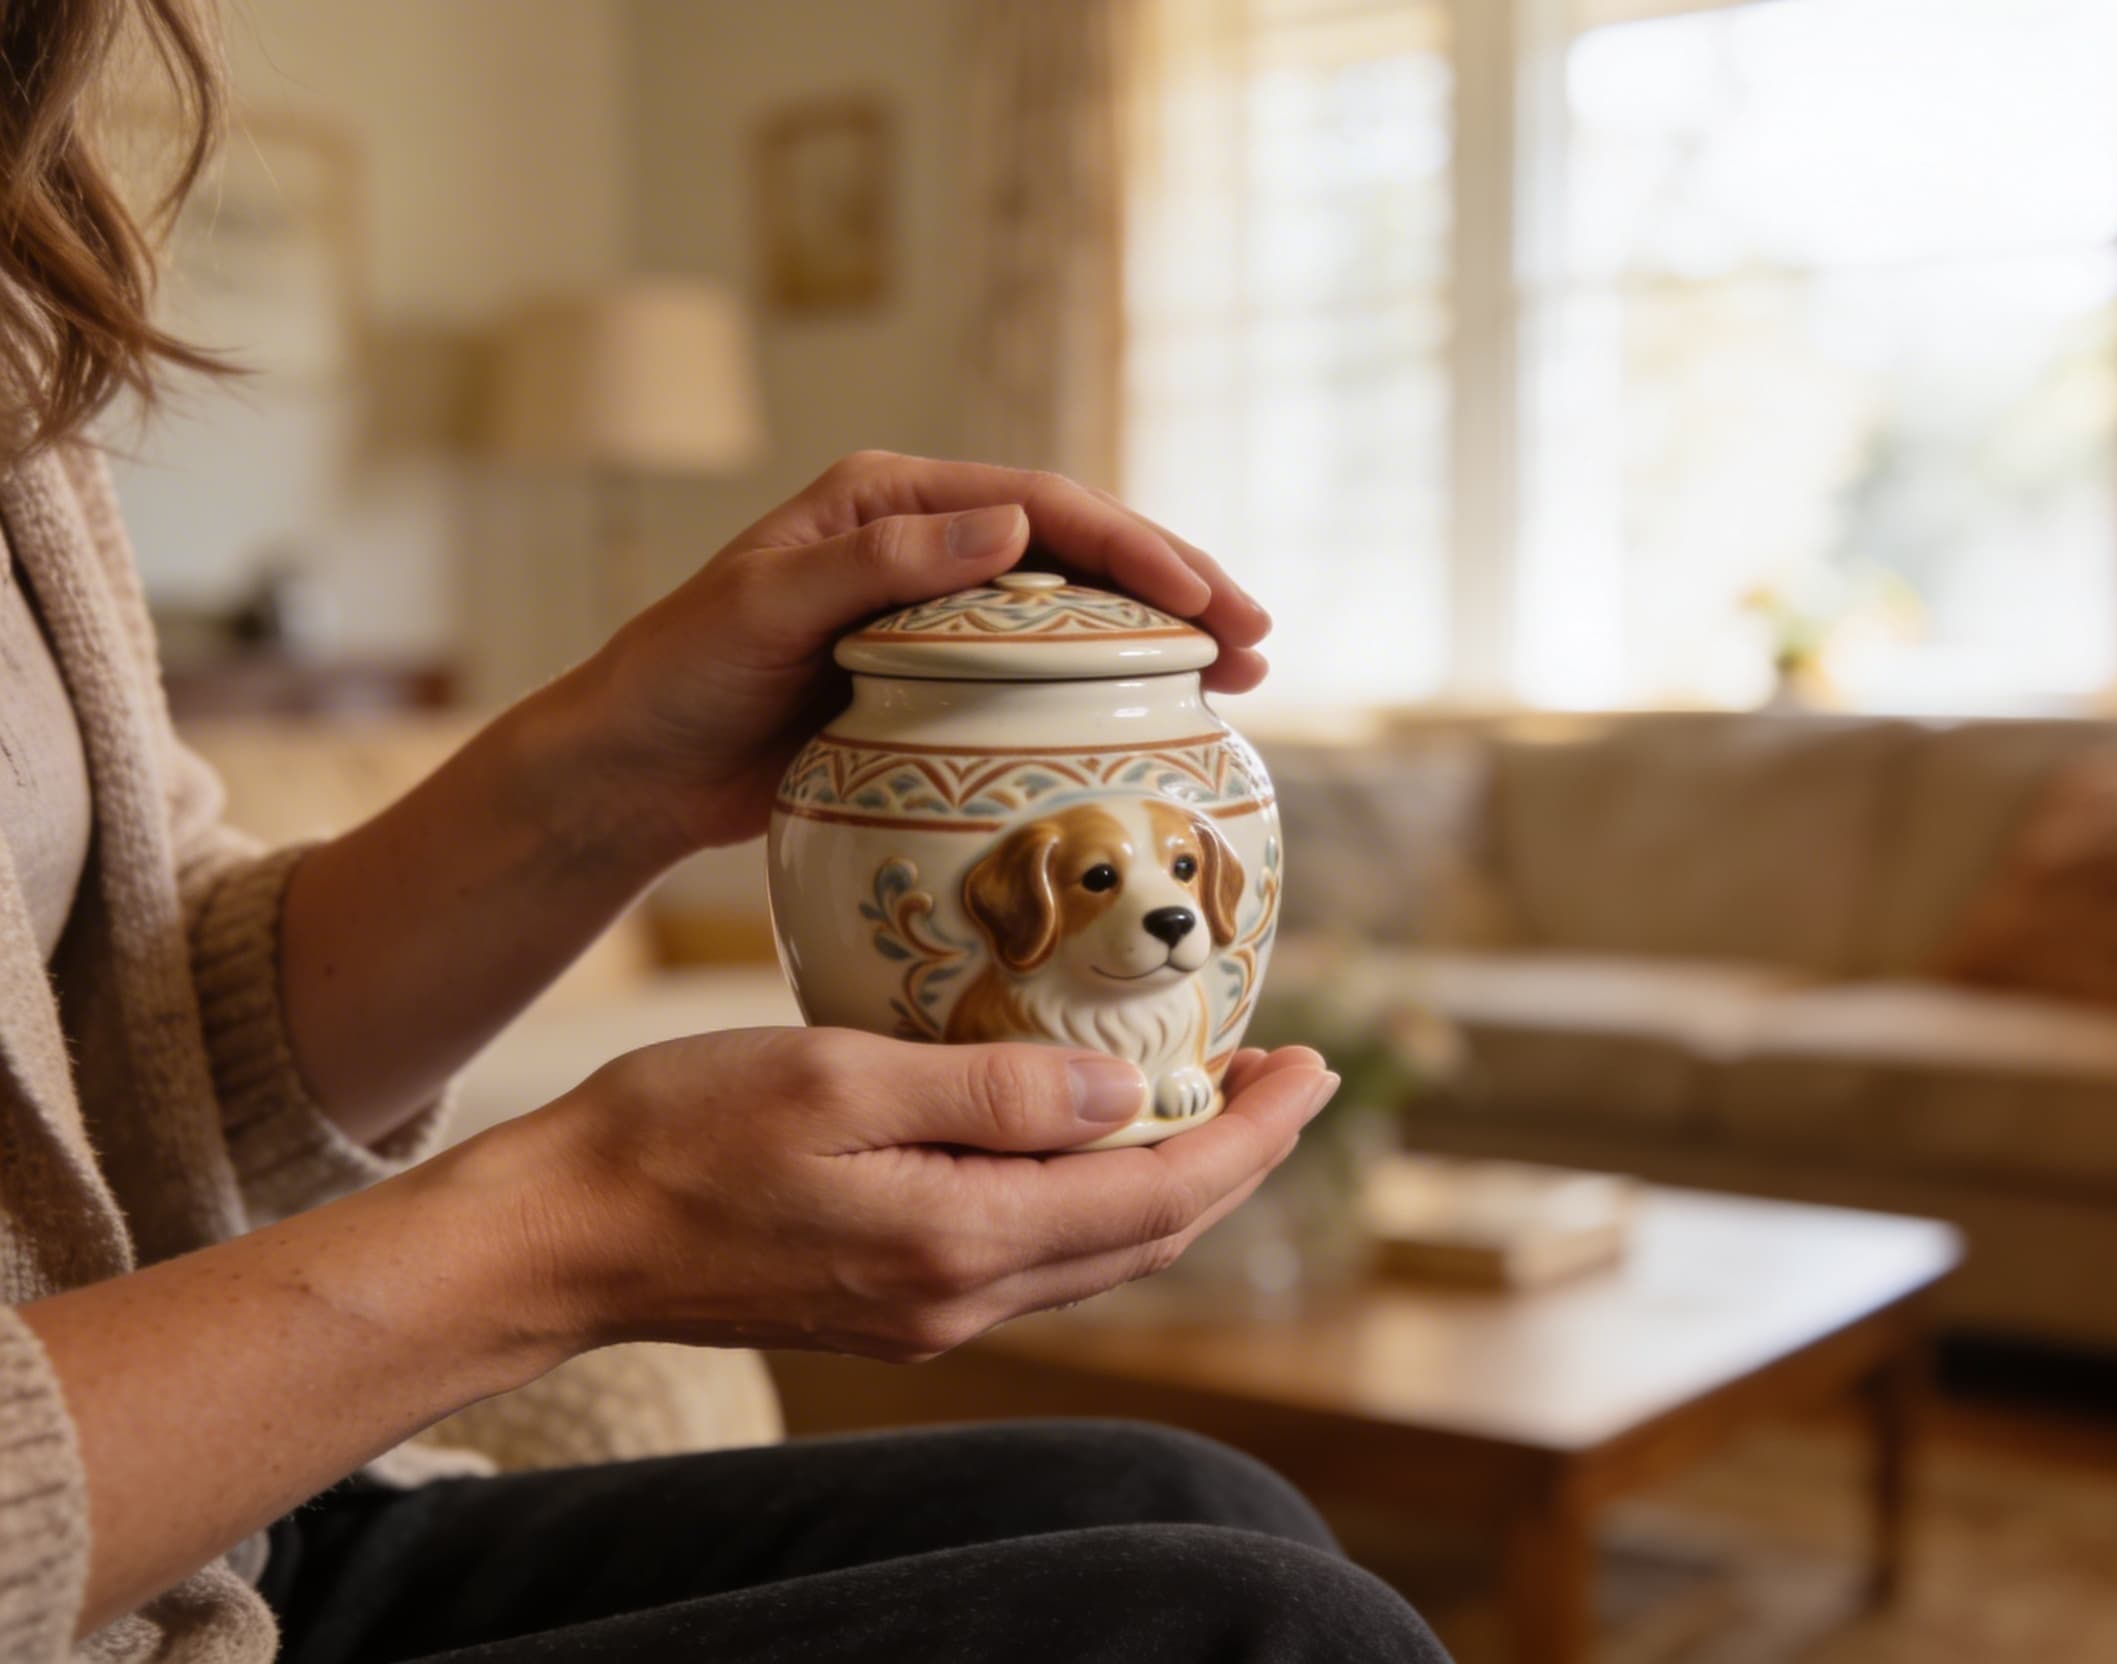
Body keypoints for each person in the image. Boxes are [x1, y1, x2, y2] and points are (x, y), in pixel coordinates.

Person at [0, 2, 1451, 1659]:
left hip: (201, 1536)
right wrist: (556, 1240)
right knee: (1254, 1632)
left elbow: (110, 1018)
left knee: (1206, 1508)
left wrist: (612, 770)